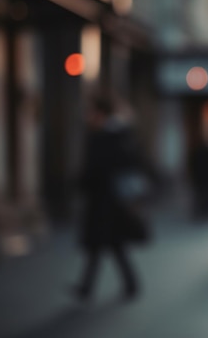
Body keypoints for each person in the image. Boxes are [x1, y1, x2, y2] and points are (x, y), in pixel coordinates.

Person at [73, 93, 144, 301]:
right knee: (110, 245)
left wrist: (82, 184)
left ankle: (91, 287)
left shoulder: (103, 137)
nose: (88, 115)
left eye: (91, 111)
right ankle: (92, 287)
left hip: (105, 202)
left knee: (107, 245)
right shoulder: (123, 135)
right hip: (114, 201)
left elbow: (95, 170)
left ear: (100, 112)